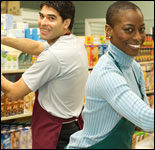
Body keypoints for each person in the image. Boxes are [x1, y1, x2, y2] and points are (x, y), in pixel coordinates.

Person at [66, 1, 154, 149]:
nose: (138, 37)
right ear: (108, 30)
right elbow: (146, 120)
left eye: (141, 29)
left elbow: (142, 120)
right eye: (129, 29)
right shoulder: (106, 73)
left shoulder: (135, 69)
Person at [1, 1, 88, 149]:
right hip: (72, 125)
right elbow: (36, 46)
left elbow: (13, 92)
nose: (43, 22)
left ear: (66, 22)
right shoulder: (74, 42)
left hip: (55, 133)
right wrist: (3, 39)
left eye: (51, 18)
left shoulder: (54, 56)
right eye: (42, 16)